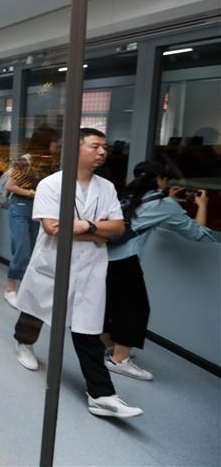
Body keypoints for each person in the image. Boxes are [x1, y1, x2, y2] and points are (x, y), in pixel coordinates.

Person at [13, 128, 143, 418]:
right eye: (95, 146)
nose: (102, 152)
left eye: (104, 147)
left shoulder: (106, 187)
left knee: (87, 329)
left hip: (90, 267)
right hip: (53, 261)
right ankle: (23, 342)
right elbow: (53, 228)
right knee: (35, 310)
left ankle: (101, 395)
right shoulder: (51, 184)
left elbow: (118, 228)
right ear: (75, 148)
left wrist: (86, 226)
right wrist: (97, 232)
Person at [102, 160, 219, 380]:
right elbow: (198, 234)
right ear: (160, 179)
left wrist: (168, 200)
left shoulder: (127, 195)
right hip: (125, 261)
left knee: (109, 305)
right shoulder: (164, 204)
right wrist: (202, 205)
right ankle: (119, 360)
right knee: (135, 310)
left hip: (102, 257)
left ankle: (106, 347)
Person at [4, 127, 60, 307]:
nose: (57, 145)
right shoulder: (26, 160)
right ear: (46, 142)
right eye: (55, 142)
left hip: (40, 210)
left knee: (36, 250)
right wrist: (30, 193)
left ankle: (27, 288)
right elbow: (10, 186)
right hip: (20, 207)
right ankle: (10, 288)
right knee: (22, 249)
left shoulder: (52, 162)